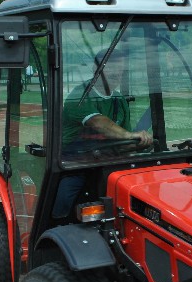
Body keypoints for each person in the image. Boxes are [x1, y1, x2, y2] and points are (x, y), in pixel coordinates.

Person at [52, 49, 152, 219]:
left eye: (120, 70)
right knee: (64, 199)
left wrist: (140, 142)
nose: (116, 73)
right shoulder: (80, 96)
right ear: (95, 69)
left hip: (109, 162)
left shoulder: (119, 101)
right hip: (76, 164)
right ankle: (57, 225)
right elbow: (99, 123)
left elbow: (124, 140)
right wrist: (129, 136)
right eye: (111, 68)